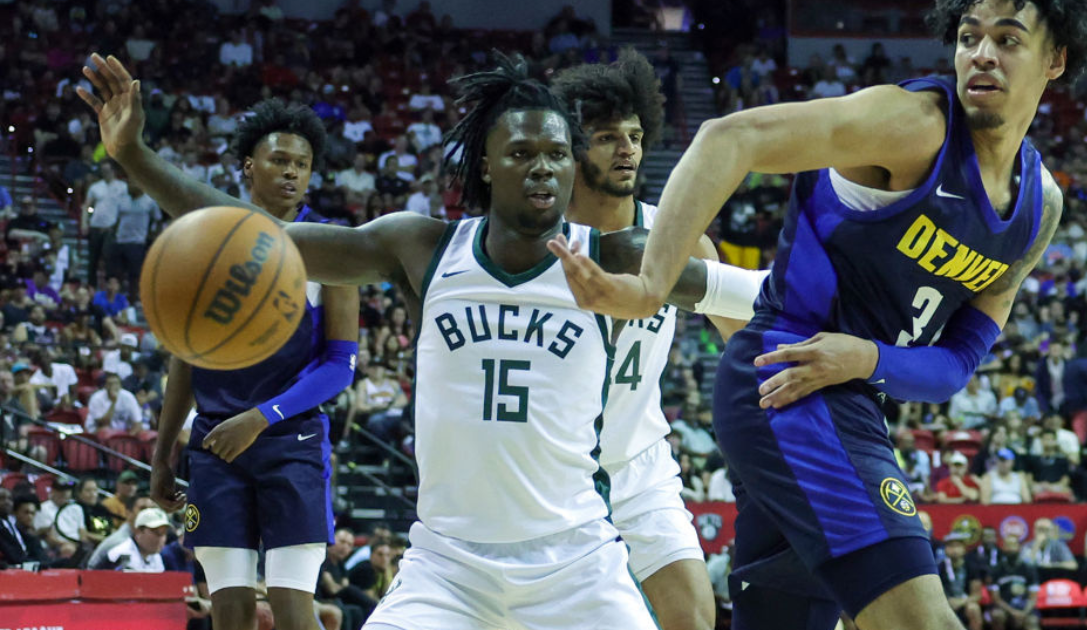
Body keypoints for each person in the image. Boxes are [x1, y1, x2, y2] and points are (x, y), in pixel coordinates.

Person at [81, 52, 726, 630]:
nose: (542, 168)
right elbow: (247, 234)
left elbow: (757, 294)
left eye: (557, 154)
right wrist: (136, 156)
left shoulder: (614, 255)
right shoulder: (422, 248)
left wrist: (826, 339)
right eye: (523, 153)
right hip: (448, 567)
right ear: (486, 165)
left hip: (577, 559)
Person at [549, 0, 1087, 627]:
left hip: (850, 397)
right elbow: (729, 137)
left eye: (1008, 40)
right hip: (792, 383)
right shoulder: (915, 123)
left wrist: (866, 358)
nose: (981, 53)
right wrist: (652, 284)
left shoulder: (1039, 207)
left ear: (1055, 59)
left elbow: (956, 365)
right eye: (969, 37)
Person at [80, 74, 361, 630]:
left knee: (293, 608)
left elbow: (340, 365)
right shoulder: (207, 242)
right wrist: (162, 454)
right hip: (214, 444)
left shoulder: (332, 249)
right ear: (248, 167)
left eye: (300, 164)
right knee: (226, 611)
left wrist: (261, 417)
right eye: (278, 159)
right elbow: (185, 358)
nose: (290, 171)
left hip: (291, 440)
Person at [551, 48, 765, 630]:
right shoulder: (537, 245)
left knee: (694, 618)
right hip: (553, 469)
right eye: (606, 137)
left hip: (639, 465)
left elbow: (749, 342)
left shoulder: (682, 242)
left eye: (636, 134)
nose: (627, 149)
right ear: (572, 148)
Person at [95, 507, 169, 572]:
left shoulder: (156, 556)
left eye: (164, 532)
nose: (160, 538)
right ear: (138, 532)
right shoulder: (121, 555)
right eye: (156, 532)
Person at [989, 534, 1039, 630]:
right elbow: (996, 598)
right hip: (1004, 607)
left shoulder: (1028, 568)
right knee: (997, 616)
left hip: (1024, 607)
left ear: (1019, 548)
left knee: (1032, 621)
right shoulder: (996, 569)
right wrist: (1012, 612)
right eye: (1008, 545)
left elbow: (1033, 598)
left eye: (1013, 545)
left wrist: (1024, 612)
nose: (1011, 549)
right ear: (1003, 548)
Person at [939, 532, 985, 630]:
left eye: (958, 546)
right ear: (945, 549)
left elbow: (977, 595)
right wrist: (947, 602)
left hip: (964, 602)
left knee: (973, 609)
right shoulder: (939, 567)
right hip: (945, 603)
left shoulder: (972, 566)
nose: (954, 550)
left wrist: (960, 602)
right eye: (951, 546)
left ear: (964, 549)